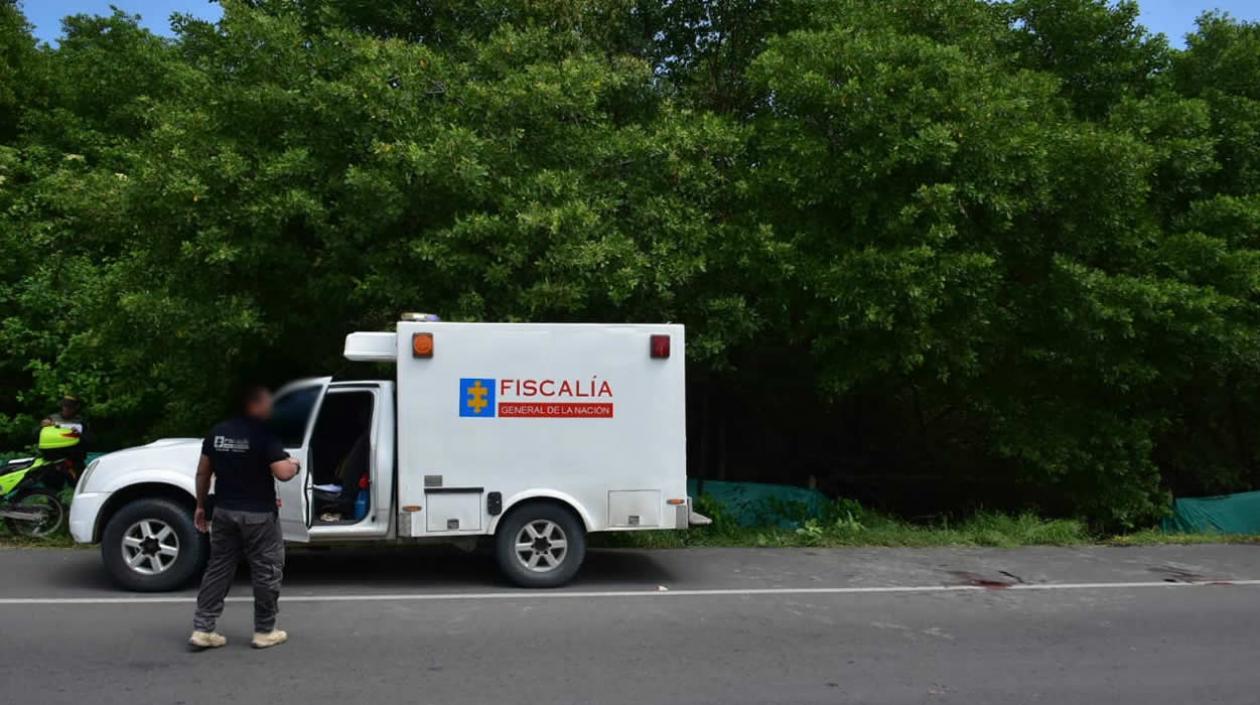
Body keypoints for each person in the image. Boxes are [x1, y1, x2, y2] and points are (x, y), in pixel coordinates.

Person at [189, 385, 301, 651]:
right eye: (267, 402)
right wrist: (295, 464)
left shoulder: (218, 432)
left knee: (219, 568)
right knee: (266, 571)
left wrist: (200, 506)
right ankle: (264, 631)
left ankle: (203, 629)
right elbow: (283, 473)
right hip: (259, 516)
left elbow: (203, 473)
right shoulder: (263, 434)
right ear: (255, 405)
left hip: (224, 512)